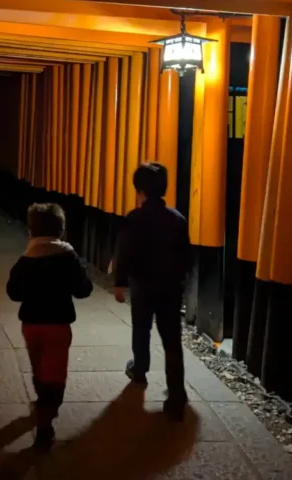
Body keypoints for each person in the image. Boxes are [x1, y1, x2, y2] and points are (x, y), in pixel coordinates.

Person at [7, 203, 93, 450]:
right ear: (61, 229)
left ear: (31, 230)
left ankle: (41, 403)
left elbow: (13, 292)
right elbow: (82, 290)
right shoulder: (68, 256)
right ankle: (46, 425)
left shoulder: (26, 259)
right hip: (58, 323)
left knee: (38, 368)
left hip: (31, 323)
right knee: (54, 373)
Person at [111, 161, 192, 420]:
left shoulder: (135, 218)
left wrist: (120, 283)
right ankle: (177, 393)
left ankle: (140, 369)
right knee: (171, 339)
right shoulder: (177, 219)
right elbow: (186, 256)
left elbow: (124, 254)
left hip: (143, 286)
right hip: (170, 287)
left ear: (140, 190)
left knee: (141, 328)